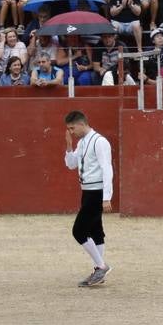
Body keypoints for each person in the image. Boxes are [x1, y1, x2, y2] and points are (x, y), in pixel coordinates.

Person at [64, 110, 114, 288]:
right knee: (95, 231)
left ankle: (101, 266)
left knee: (79, 231)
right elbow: (71, 164)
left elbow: (106, 168)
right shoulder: (83, 142)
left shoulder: (99, 142)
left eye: (72, 128)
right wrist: (69, 146)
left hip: (97, 191)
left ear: (81, 124)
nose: (71, 132)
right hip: (87, 191)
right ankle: (98, 269)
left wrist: (106, 197)